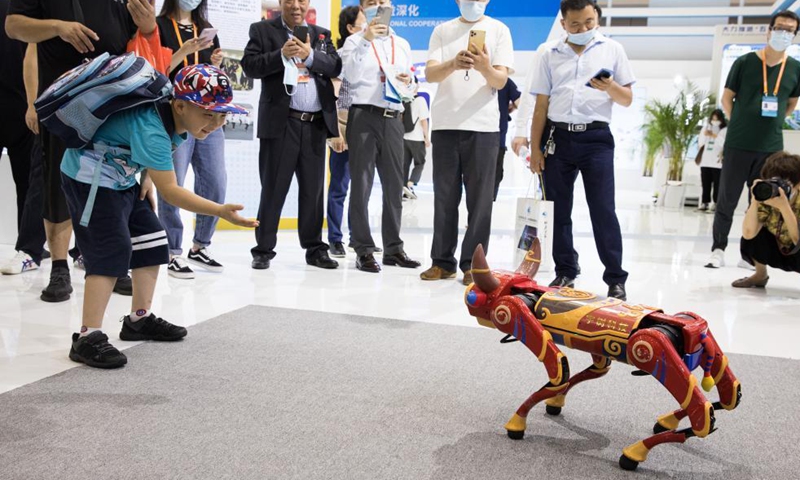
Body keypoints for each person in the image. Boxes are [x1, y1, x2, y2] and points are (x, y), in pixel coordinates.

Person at [59, 65, 256, 369]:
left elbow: (145, 155)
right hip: (91, 177)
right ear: (180, 105)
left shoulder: (173, 117)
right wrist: (218, 210)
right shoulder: (152, 127)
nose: (216, 124)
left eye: (222, 115)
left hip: (122, 177)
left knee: (151, 239)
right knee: (111, 251)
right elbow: (172, 192)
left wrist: (146, 178)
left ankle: (138, 320)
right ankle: (87, 336)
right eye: (208, 114)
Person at [6, 0, 158, 301]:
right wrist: (57, 27)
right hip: (64, 102)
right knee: (55, 186)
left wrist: (149, 25)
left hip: (113, 102)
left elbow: (144, 40)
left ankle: (109, 262)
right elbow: (13, 26)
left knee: (113, 183)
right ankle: (59, 267)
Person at [528, 0, 635, 301]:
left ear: (597, 18)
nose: (583, 29)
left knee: (603, 209)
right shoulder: (547, 53)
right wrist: (535, 149)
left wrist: (609, 87)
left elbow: (626, 98)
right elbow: (541, 106)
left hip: (597, 139)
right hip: (557, 138)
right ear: (563, 24)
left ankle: (615, 277)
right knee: (559, 210)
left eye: (589, 22)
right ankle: (566, 270)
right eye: (575, 25)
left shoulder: (612, 49)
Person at [241, 0, 341, 271]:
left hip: (315, 125)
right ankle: (263, 249)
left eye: (301, 1)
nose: (296, 5)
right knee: (273, 188)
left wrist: (309, 56)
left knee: (313, 190)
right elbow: (249, 66)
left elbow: (334, 66)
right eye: (289, 1)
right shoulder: (262, 30)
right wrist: (280, 55)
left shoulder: (321, 34)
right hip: (281, 123)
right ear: (281, 3)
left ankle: (315, 249)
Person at [420, 0, 514, 285]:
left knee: (481, 199)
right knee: (445, 197)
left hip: (483, 127)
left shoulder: (499, 30)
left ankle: (473, 265)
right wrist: (452, 63)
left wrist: (485, 66)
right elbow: (429, 74)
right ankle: (442, 262)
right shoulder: (442, 30)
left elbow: (499, 81)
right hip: (446, 124)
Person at [706, 10, 800, 269]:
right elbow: (727, 96)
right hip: (738, 142)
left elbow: (791, 103)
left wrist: (775, 120)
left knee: (760, 200)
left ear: (794, 35)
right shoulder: (745, 62)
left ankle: (750, 256)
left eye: (789, 30)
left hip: (770, 147)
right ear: (769, 30)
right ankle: (718, 248)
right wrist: (738, 120)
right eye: (779, 28)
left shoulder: (794, 69)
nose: (783, 33)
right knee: (727, 198)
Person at [339, 0, 421, 273]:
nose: (377, 6)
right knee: (361, 184)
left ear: (391, 6)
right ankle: (363, 248)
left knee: (395, 186)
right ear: (363, 8)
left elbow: (411, 81)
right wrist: (366, 38)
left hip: (393, 118)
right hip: (363, 116)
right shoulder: (354, 40)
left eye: (381, 2)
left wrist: (411, 83)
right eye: (370, 3)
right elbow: (348, 75)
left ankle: (393, 249)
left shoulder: (403, 44)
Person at [155, 0, 228, 280]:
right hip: (177, 113)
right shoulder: (160, 27)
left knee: (215, 180)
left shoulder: (206, 28)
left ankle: (200, 246)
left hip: (208, 114)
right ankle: (172, 250)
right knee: (172, 182)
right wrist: (184, 51)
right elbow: (156, 70)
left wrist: (215, 65)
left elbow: (210, 77)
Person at [0, 0, 46, 275]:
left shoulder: (32, 5)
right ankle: (30, 246)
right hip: (19, 99)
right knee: (30, 181)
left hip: (27, 102)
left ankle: (29, 246)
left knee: (30, 181)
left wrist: (34, 103)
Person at [326, 6, 364, 259]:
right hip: (342, 125)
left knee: (362, 187)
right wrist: (335, 131)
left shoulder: (373, 54)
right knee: (339, 187)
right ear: (350, 28)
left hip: (366, 126)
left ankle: (358, 238)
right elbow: (331, 96)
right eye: (364, 22)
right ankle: (335, 239)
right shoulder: (338, 57)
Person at [735, 151, 800, 288]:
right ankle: (760, 275)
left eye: (785, 183)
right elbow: (748, 234)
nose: (780, 187)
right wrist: (755, 201)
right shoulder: (768, 196)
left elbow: (797, 240)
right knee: (753, 235)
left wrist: (784, 207)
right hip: (780, 250)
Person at [402, 79, 431, 200]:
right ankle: (411, 183)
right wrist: (426, 137)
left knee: (404, 164)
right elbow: (424, 120)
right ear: (417, 85)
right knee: (420, 163)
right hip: (417, 138)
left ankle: (404, 188)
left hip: (404, 137)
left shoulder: (403, 100)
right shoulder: (420, 100)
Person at [494, 77, 521, 201]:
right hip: (496, 140)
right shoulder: (504, 81)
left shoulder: (505, 81)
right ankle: (481, 217)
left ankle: (477, 218)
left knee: (478, 181)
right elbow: (520, 103)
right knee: (493, 179)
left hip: (489, 140)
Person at [696, 109, 727, 213]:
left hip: (717, 162)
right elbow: (700, 142)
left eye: (717, 118)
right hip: (705, 160)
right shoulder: (706, 128)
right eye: (713, 118)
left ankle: (716, 203)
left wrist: (715, 136)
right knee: (705, 183)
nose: (715, 120)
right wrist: (706, 135)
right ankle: (705, 202)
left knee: (717, 184)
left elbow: (724, 143)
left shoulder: (724, 129)